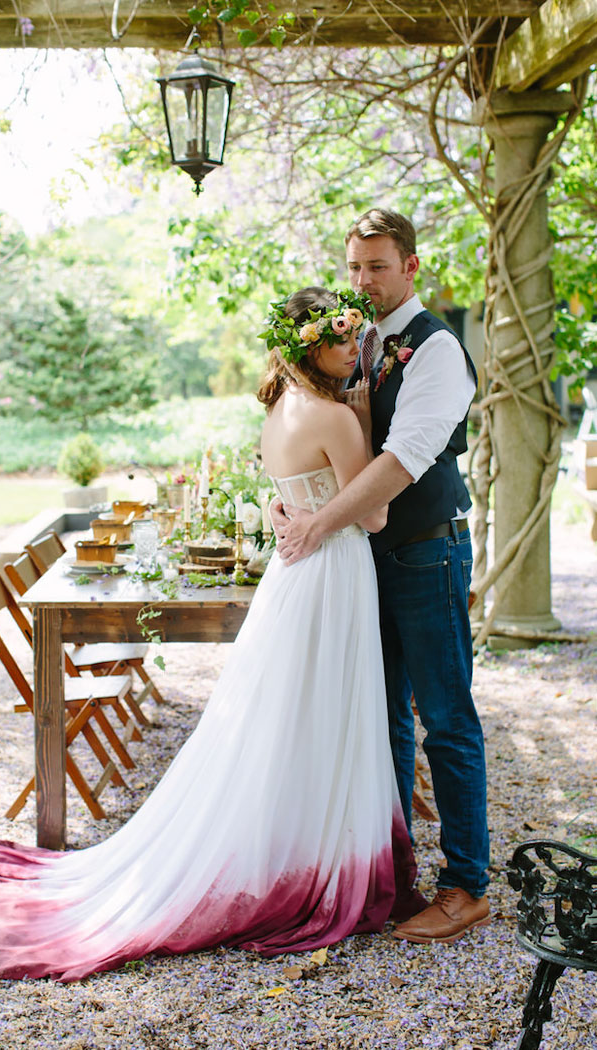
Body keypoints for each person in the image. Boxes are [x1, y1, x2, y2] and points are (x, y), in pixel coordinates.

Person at [0, 286, 421, 983]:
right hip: (331, 571)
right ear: (314, 344)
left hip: (291, 575)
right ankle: (320, 856)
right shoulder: (337, 416)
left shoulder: (281, 407)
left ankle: (293, 840)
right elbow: (372, 519)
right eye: (344, 340)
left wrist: (293, 503)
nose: (354, 350)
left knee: (284, 716)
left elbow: (287, 491)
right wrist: (364, 428)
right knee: (327, 711)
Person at [273, 210, 491, 945]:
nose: (363, 280)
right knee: (386, 720)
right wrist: (290, 498)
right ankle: (391, 874)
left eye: (377, 266)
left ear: (412, 267)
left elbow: (399, 464)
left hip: (427, 552)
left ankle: (467, 886)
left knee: (446, 720)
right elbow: (328, 435)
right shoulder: (362, 344)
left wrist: (319, 520)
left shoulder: (436, 352)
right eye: (355, 267)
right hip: (370, 561)